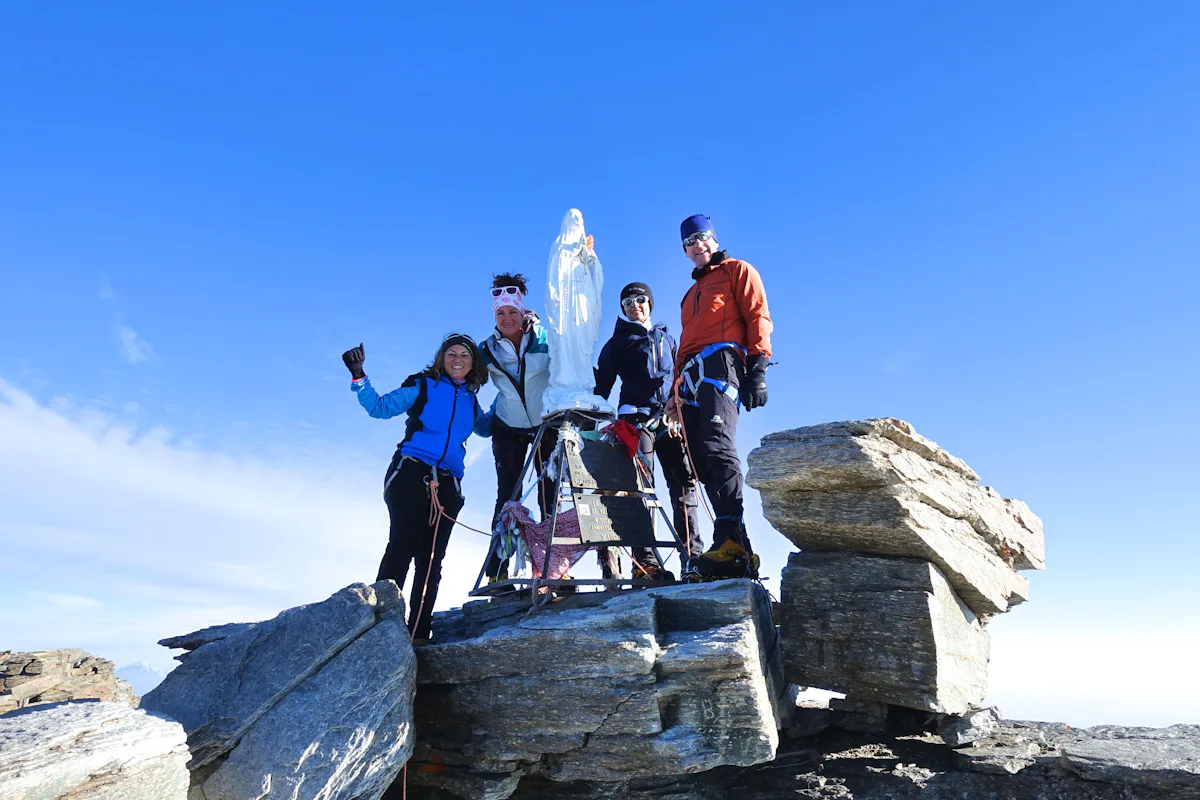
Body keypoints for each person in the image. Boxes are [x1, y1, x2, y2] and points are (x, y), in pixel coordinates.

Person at [342, 334, 490, 642]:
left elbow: (488, 428)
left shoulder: (471, 401)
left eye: (465, 355)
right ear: (441, 357)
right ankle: (381, 625)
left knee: (432, 557)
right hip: (411, 471)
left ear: (473, 363)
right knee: (404, 543)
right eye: (451, 353)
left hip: (448, 482)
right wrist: (359, 375)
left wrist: (515, 391)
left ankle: (419, 632)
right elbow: (379, 407)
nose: (458, 359)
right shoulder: (422, 386)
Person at [669, 214, 773, 580]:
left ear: (712, 238)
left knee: (717, 445)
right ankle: (732, 547)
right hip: (690, 374)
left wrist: (758, 366)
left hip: (723, 360)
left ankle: (730, 536)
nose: (696, 245)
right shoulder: (689, 295)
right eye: (688, 242)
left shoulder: (736, 271)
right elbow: (683, 345)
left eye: (700, 237)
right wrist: (673, 393)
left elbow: (757, 314)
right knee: (698, 458)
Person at [594, 281, 701, 580]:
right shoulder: (617, 343)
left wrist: (680, 410)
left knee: (683, 487)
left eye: (640, 299)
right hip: (635, 422)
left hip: (669, 420)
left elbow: (680, 378)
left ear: (650, 302)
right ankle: (645, 563)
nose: (634, 305)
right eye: (627, 302)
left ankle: (694, 559)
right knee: (640, 490)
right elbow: (601, 387)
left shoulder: (667, 339)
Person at [478, 272, 557, 582]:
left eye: (512, 311)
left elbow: (566, 371)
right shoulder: (487, 348)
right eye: (501, 313)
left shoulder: (544, 338)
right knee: (508, 496)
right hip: (508, 426)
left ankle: (551, 568)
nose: (507, 318)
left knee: (549, 494)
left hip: (545, 425)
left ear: (522, 311)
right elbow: (469, 384)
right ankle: (497, 573)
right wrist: (479, 420)